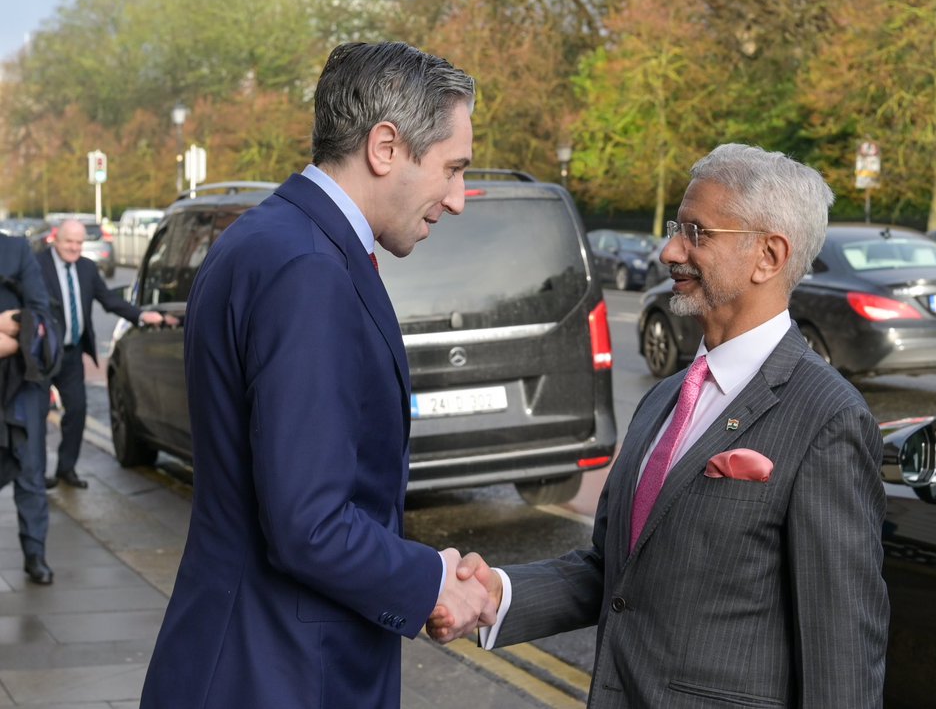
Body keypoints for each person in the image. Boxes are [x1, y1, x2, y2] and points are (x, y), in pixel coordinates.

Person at [434, 144, 890, 707]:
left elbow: (840, 658)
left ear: (768, 255)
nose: (669, 250)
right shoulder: (666, 398)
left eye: (698, 233)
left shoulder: (828, 417)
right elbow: (616, 573)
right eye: (678, 227)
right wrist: (494, 595)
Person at [140, 41, 493, 708]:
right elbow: (309, 523)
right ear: (385, 147)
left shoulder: (270, 236)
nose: (457, 199)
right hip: (282, 672)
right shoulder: (309, 270)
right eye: (452, 169)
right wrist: (431, 582)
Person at [37, 218, 173, 489]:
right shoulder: (37, 265)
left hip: (72, 353)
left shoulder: (87, 268)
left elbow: (109, 300)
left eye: (79, 243)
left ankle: (67, 468)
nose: (74, 248)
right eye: (69, 242)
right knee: (37, 413)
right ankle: (36, 475)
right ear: (56, 239)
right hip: (41, 355)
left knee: (77, 411)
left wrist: (142, 315)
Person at [0, 233, 56, 584]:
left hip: (20, 382)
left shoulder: (16, 249)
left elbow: (39, 312)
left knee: (31, 469)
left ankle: (35, 552)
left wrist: (13, 330)